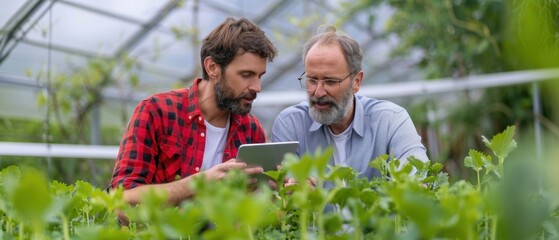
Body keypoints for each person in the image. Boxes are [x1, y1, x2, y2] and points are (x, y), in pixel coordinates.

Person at [110, 17, 278, 206]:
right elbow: (122, 201)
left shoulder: (251, 129)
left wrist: (277, 191)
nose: (257, 87)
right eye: (246, 75)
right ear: (212, 67)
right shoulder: (156, 112)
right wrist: (200, 183)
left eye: (260, 76)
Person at [271, 25, 428, 181]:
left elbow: (416, 175)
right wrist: (297, 190)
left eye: (330, 81)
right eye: (312, 80)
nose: (318, 92)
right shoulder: (291, 124)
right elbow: (284, 188)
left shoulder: (390, 120)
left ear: (356, 81)